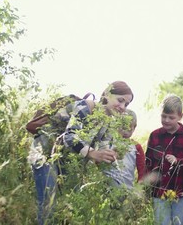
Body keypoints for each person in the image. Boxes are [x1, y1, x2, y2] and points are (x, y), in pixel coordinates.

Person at [27, 81, 134, 225]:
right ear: (107, 95)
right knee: (48, 202)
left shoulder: (108, 123)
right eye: (120, 100)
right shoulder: (85, 106)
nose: (122, 107)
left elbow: (100, 153)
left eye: (126, 104)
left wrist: (109, 156)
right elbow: (69, 136)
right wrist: (93, 153)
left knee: (68, 203)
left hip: (65, 159)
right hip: (45, 153)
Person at [145, 95, 183, 225]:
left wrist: (178, 161)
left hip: (181, 191)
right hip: (159, 190)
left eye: (171, 117)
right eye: (163, 116)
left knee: (179, 222)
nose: (166, 120)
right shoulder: (155, 135)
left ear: (180, 116)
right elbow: (148, 162)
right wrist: (147, 188)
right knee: (162, 222)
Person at [103, 109, 146, 188]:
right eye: (122, 128)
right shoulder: (108, 143)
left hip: (127, 187)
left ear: (134, 127)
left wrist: (140, 184)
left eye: (129, 128)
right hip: (106, 186)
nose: (125, 132)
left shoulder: (136, 147)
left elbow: (142, 168)